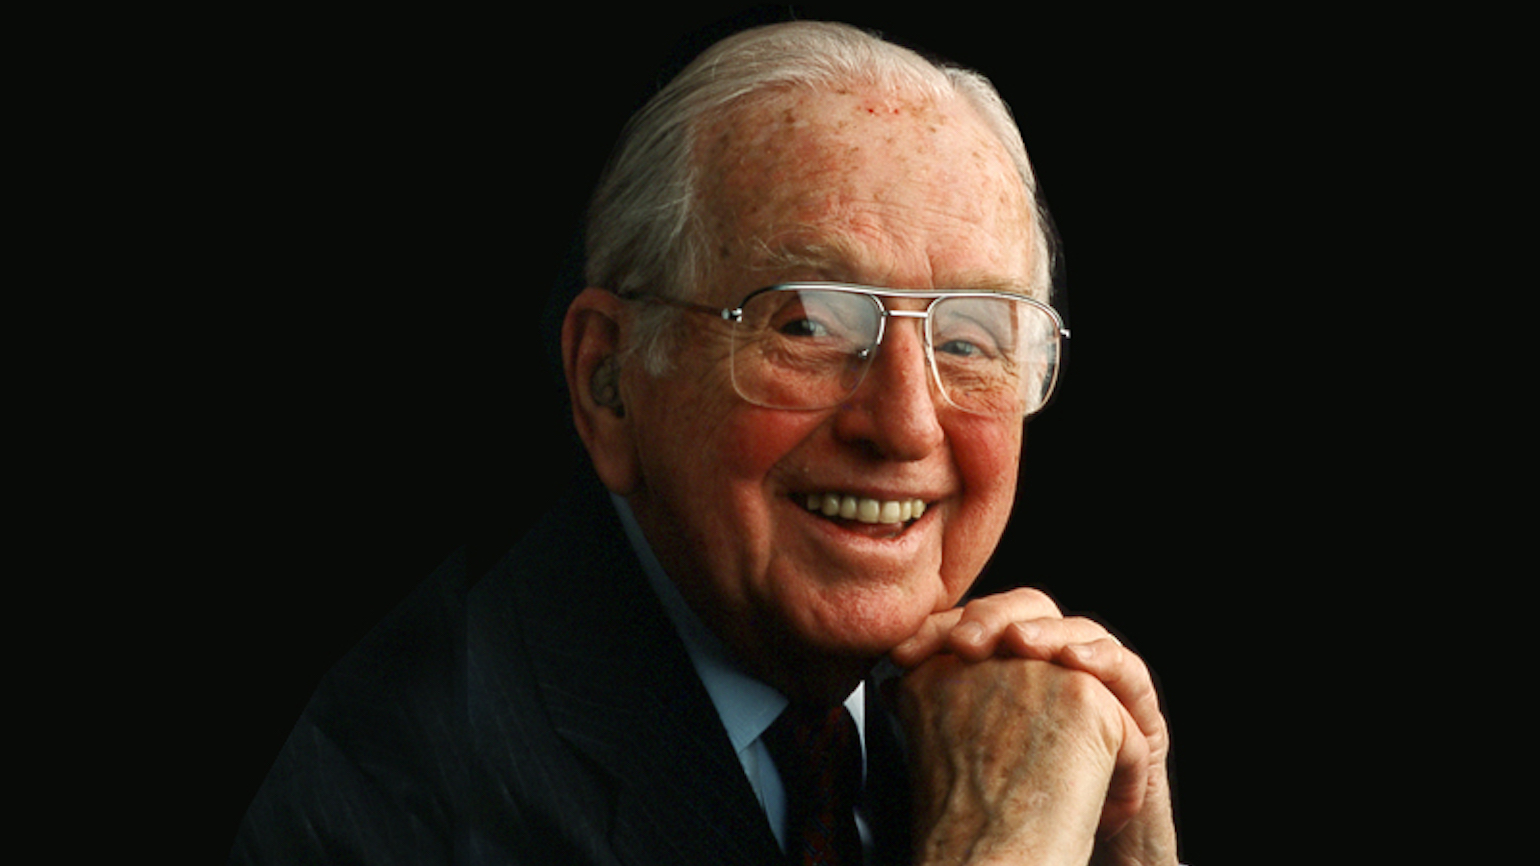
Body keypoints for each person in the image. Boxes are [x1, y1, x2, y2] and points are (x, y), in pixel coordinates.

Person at [231, 20, 1180, 866]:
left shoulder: (1012, 731)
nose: (904, 425)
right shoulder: (380, 786)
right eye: (808, 324)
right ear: (609, 382)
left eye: (969, 341)